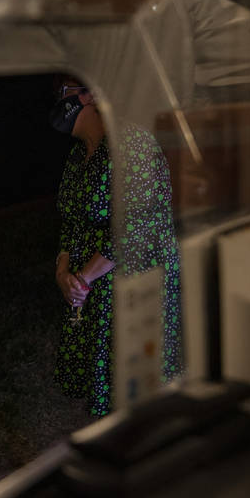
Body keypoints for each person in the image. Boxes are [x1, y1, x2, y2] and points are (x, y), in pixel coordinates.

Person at [49, 78, 182, 417]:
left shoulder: (132, 143)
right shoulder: (78, 156)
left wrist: (83, 279)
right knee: (106, 393)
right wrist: (64, 272)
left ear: (90, 95)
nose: (56, 103)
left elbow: (137, 225)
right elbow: (70, 219)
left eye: (62, 92)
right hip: (91, 284)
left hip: (131, 284)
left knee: (135, 388)